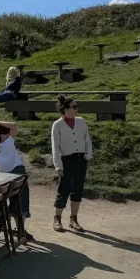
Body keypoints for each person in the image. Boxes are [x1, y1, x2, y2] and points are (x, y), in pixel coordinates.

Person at [51, 95, 92, 233]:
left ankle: (73, 219)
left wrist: (88, 154)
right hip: (66, 160)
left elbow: (87, 139)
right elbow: (55, 146)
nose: (77, 109)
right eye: (74, 107)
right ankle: (57, 218)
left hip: (81, 159)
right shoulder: (57, 125)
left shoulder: (81, 121)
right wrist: (58, 165)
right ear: (65, 109)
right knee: (64, 189)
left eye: (76, 106)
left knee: (78, 189)